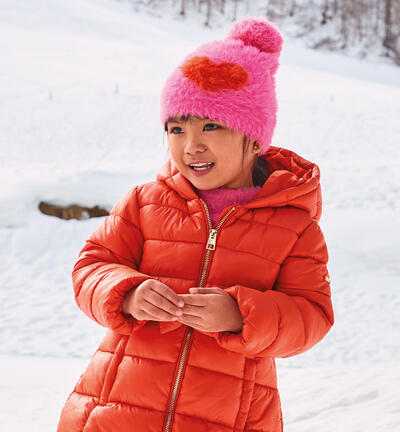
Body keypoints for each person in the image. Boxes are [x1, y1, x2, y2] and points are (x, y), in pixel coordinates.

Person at [57, 16, 334, 432]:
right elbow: (90, 266)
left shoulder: (294, 225)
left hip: (231, 418)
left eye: (210, 125)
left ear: (254, 138)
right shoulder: (145, 201)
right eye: (176, 128)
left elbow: (311, 314)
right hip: (116, 410)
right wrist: (127, 292)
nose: (191, 146)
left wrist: (242, 315)